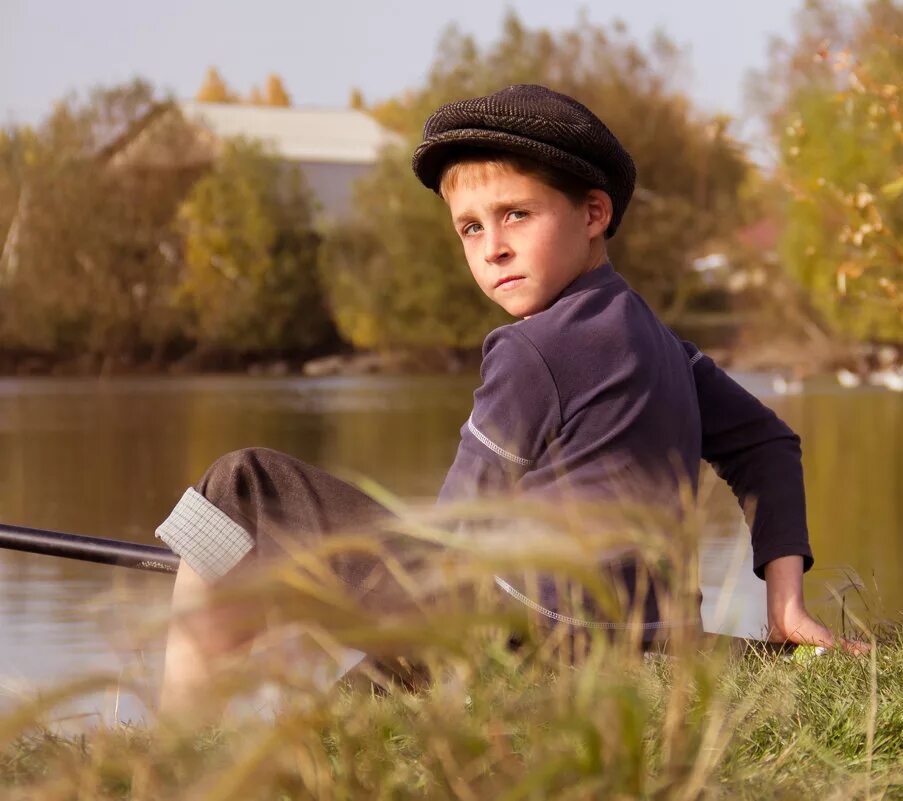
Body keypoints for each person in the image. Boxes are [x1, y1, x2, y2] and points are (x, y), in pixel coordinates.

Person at [157, 84, 861, 717]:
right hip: (646, 649)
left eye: (515, 215)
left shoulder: (531, 350)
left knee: (239, 490)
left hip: (534, 649)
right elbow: (768, 444)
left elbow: (455, 542)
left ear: (593, 212)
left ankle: (175, 738)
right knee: (348, 704)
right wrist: (785, 600)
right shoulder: (653, 338)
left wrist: (304, 579)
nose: (492, 247)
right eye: (471, 227)